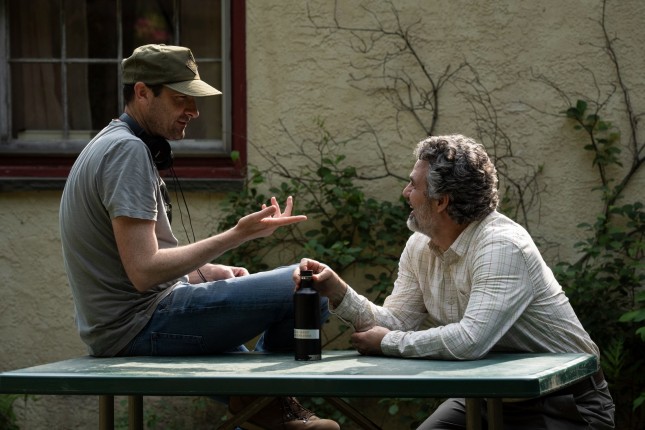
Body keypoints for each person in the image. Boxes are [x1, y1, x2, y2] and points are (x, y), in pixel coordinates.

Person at [59, 44, 339, 430]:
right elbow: (143, 271)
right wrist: (237, 234)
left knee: (295, 296)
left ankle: (264, 410)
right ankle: (274, 412)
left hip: (130, 323)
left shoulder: (113, 144)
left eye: (194, 100)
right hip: (138, 326)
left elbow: (133, 264)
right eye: (180, 99)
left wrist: (207, 273)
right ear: (142, 92)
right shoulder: (127, 152)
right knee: (308, 284)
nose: (193, 111)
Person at [293, 134, 615, 429]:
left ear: (441, 201)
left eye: (413, 185)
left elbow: (469, 341)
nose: (405, 193)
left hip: (563, 400)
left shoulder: (502, 245)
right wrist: (338, 292)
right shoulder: (420, 246)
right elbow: (396, 322)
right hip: (485, 396)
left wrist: (388, 343)